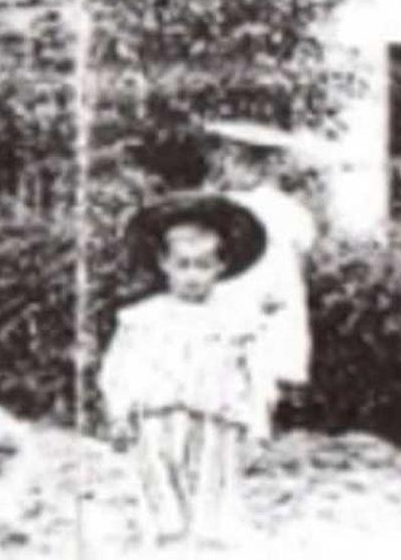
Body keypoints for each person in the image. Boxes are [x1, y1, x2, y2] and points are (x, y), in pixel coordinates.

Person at [99, 191, 269, 548]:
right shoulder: (143, 318)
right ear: (165, 263)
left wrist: (258, 427)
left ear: (221, 266)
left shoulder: (237, 319)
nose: (192, 275)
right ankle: (166, 542)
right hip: (155, 418)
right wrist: (118, 413)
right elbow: (119, 368)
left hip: (215, 418)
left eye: (203, 265)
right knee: (159, 495)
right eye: (183, 264)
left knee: (212, 495)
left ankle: (207, 543)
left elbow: (257, 376)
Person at [206, 121, 318, 438]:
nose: (228, 167)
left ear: (259, 166)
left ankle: (255, 435)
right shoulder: (219, 207)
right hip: (230, 298)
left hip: (268, 300)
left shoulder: (287, 211)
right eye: (228, 159)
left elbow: (299, 260)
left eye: (238, 160)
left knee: (260, 374)